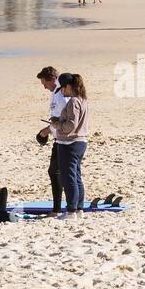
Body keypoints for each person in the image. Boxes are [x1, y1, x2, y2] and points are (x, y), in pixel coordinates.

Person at [50, 73, 89, 216]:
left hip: (70, 143)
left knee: (69, 177)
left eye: (62, 88)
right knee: (76, 176)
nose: (61, 91)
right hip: (79, 142)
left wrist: (56, 124)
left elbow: (70, 126)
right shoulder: (82, 99)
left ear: (67, 86)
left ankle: (72, 210)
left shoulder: (73, 101)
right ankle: (78, 209)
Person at [36, 67, 67, 214]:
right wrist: (46, 130)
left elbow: (66, 118)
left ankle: (59, 209)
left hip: (65, 140)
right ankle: (65, 207)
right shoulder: (56, 93)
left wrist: (49, 130)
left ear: (52, 79)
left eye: (44, 83)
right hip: (59, 138)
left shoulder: (62, 94)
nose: (44, 86)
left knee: (57, 172)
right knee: (58, 172)